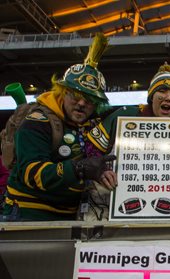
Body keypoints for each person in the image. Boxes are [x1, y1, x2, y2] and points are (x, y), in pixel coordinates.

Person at [2, 33, 115, 221]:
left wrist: (101, 173)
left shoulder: (90, 127)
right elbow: (32, 173)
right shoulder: (38, 121)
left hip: (68, 216)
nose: (80, 103)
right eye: (74, 95)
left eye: (88, 100)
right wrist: (79, 168)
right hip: (29, 215)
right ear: (62, 93)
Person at [88, 62, 170, 154]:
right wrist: (103, 171)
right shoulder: (125, 115)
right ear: (151, 97)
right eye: (162, 91)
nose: (168, 98)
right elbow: (92, 151)